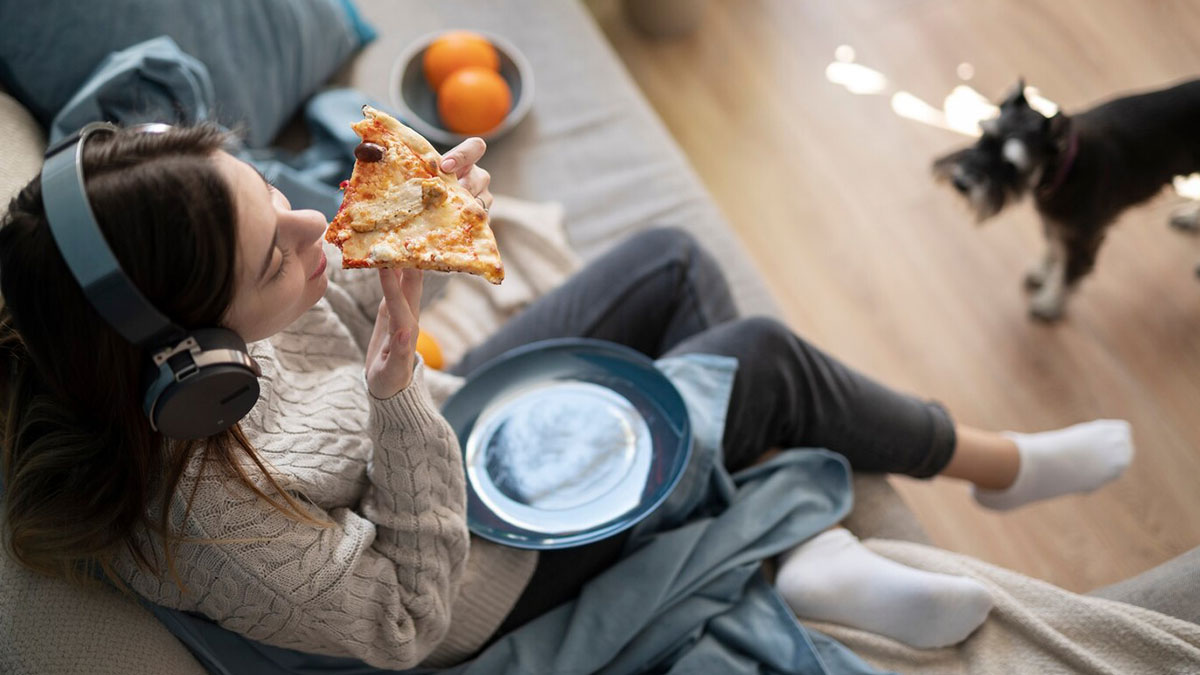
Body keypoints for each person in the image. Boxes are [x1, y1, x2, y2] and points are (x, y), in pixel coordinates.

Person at [0, 124, 1135, 669]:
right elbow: (407, 619)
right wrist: (399, 393)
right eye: (270, 258)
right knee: (764, 361)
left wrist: (407, 243)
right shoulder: (211, 519)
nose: (313, 233)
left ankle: (784, 544)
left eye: (269, 196)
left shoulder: (163, 312)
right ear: (192, 366)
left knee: (671, 266)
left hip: (423, 438)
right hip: (458, 568)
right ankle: (999, 473)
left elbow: (339, 300)